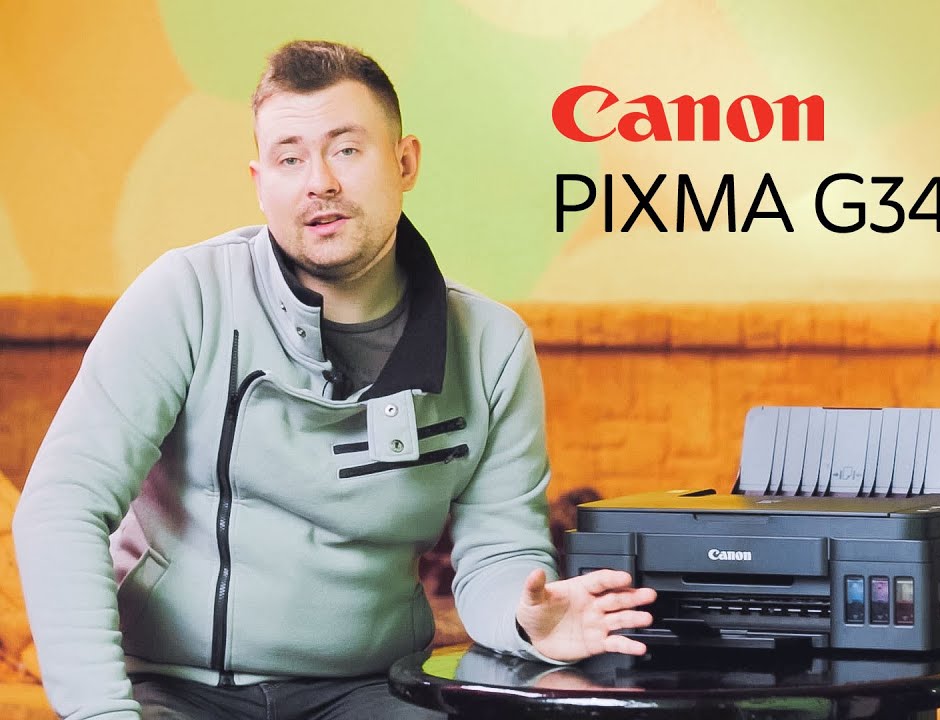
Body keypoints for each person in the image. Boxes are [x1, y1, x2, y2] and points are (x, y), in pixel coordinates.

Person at [12, 40, 655, 720]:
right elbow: (64, 505)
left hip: (369, 689)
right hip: (174, 685)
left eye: (346, 149)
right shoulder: (186, 296)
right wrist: (103, 713)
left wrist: (529, 621)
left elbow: (501, 553)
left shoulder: (491, 346)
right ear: (261, 182)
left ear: (405, 163)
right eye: (289, 158)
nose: (318, 182)